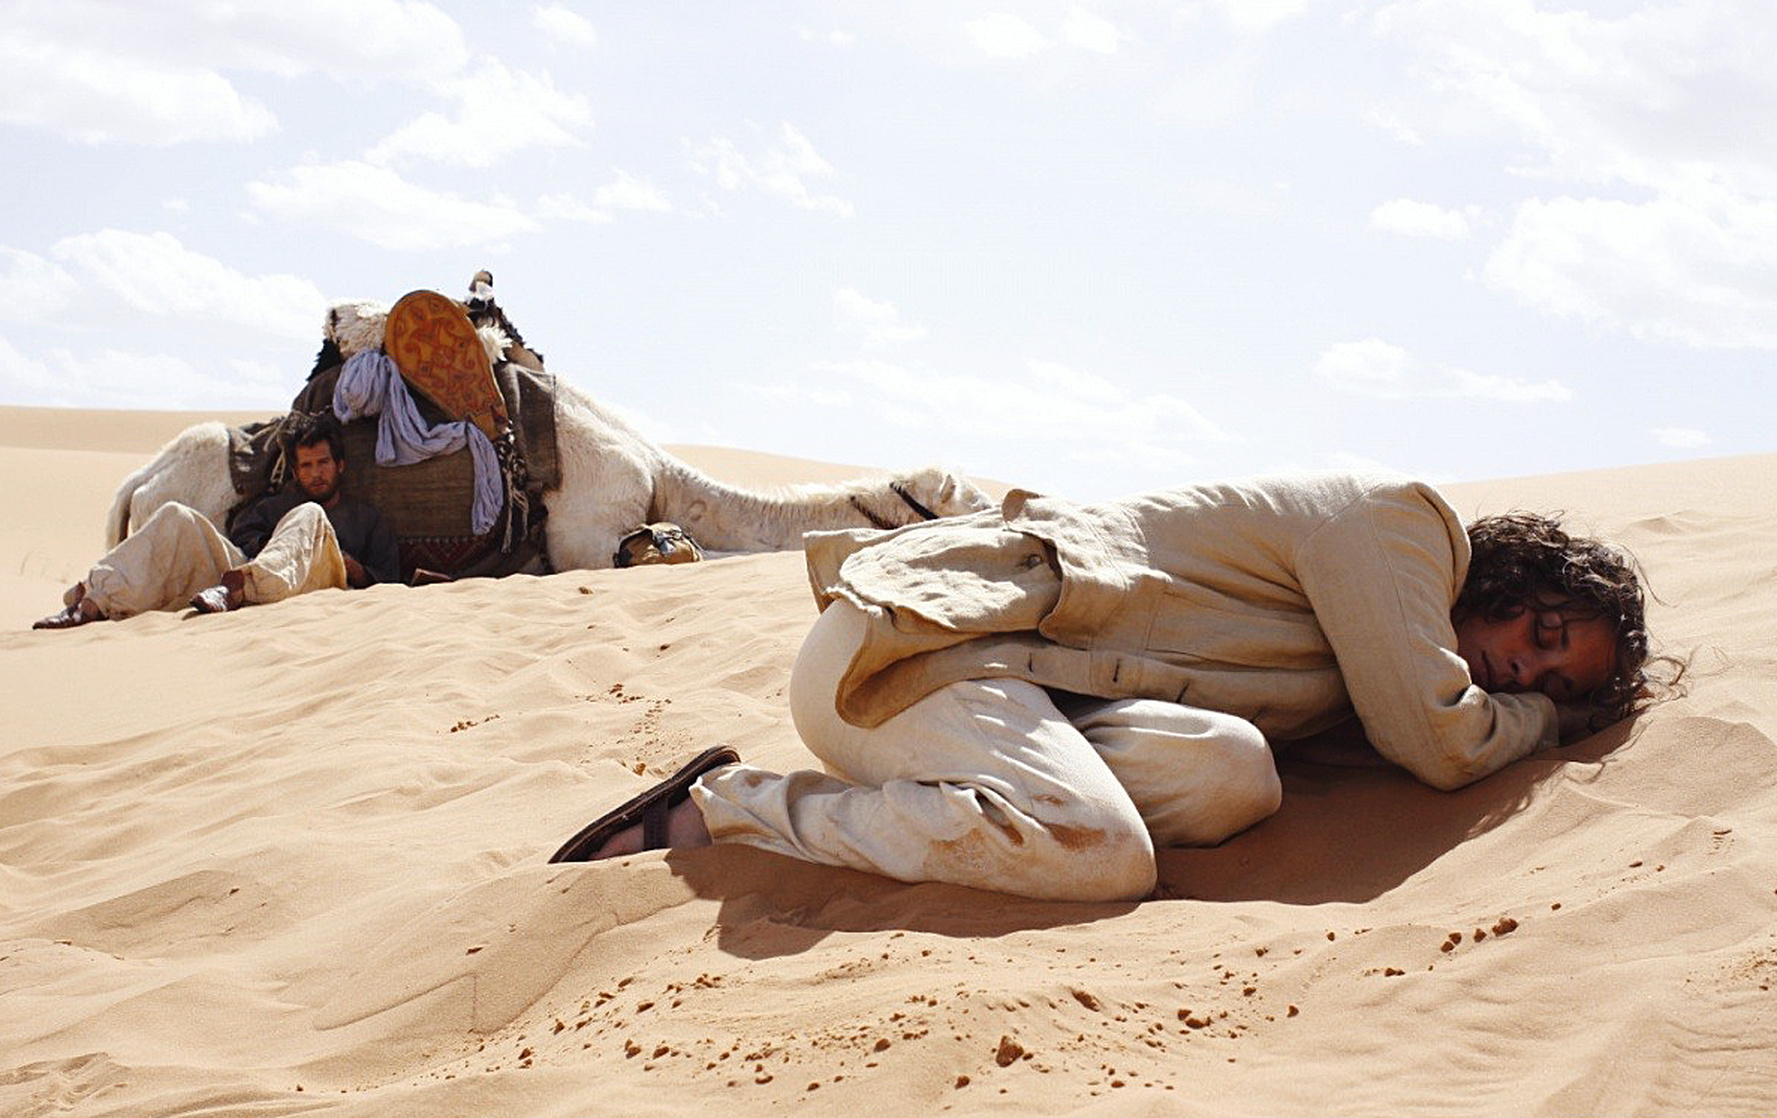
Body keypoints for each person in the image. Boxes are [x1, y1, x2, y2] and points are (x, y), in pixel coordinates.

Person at [548, 470, 1658, 903]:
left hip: (1039, 697)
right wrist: (1541, 720)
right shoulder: (1404, 528)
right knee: (1105, 852)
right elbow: (1437, 739)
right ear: (1521, 574)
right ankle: (731, 806)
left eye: (1554, 673)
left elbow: (1403, 724)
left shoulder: (1366, 670)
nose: (1525, 663)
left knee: (1233, 775)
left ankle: (986, 812)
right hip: (920, 651)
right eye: (1544, 630)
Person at [33, 419, 399, 629]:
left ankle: (242, 588)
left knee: (311, 515)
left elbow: (390, 579)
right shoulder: (275, 506)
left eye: (323, 463)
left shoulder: (366, 519)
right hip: (241, 579)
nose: (316, 474)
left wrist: (355, 569)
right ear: (295, 471)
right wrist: (272, 549)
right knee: (176, 515)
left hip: (317, 582)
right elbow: (241, 538)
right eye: (306, 466)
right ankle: (93, 602)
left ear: (340, 466)